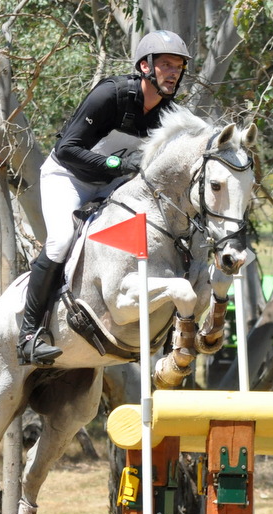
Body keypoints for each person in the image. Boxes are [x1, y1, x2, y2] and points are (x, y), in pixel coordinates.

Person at [18, 30, 192, 366]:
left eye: (179, 67)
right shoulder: (110, 95)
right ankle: (29, 335)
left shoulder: (170, 114)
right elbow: (67, 149)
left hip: (112, 187)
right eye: (166, 64)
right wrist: (119, 164)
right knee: (60, 241)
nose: (173, 72)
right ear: (145, 65)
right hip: (68, 178)